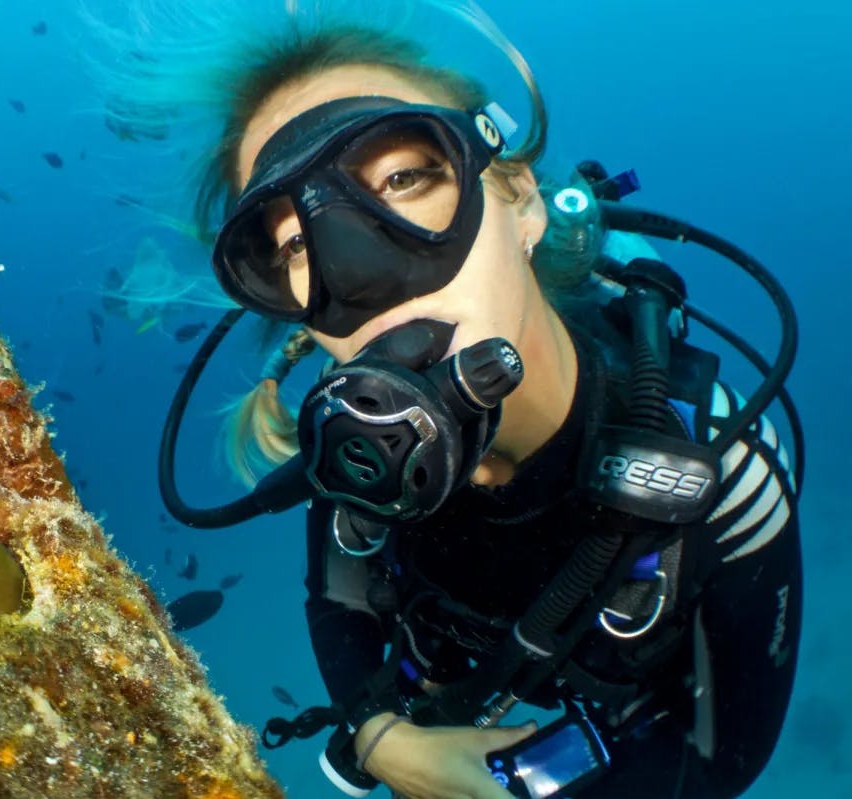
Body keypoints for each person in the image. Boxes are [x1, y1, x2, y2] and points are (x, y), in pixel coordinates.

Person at [99, 3, 803, 797]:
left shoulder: (721, 453)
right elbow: (339, 604)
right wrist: (384, 740)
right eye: (296, 244)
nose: (359, 273)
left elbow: (729, 752)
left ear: (523, 202)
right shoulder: (361, 453)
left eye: (403, 178)